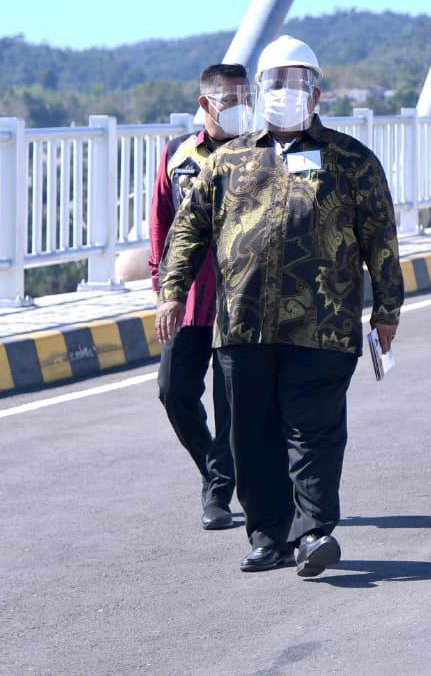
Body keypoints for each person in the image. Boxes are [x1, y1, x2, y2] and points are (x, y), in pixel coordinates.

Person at [157, 35, 404, 577]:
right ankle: (268, 535)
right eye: (277, 81)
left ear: (317, 93)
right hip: (242, 326)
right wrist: (172, 292)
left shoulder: (352, 160)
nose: (288, 92)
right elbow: (187, 231)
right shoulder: (227, 160)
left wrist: (387, 310)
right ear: (260, 88)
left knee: (312, 431)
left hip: (324, 328)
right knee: (252, 435)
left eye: (300, 82)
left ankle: (314, 531)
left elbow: (380, 238)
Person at [148, 63, 249, 530]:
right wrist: (162, 290)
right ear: (206, 103)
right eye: (230, 101)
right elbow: (161, 228)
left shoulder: (260, 151)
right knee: (174, 392)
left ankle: (218, 492)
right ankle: (215, 468)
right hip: (190, 301)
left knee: (232, 404)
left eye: (245, 99)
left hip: (243, 303)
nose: (240, 109)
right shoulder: (177, 154)